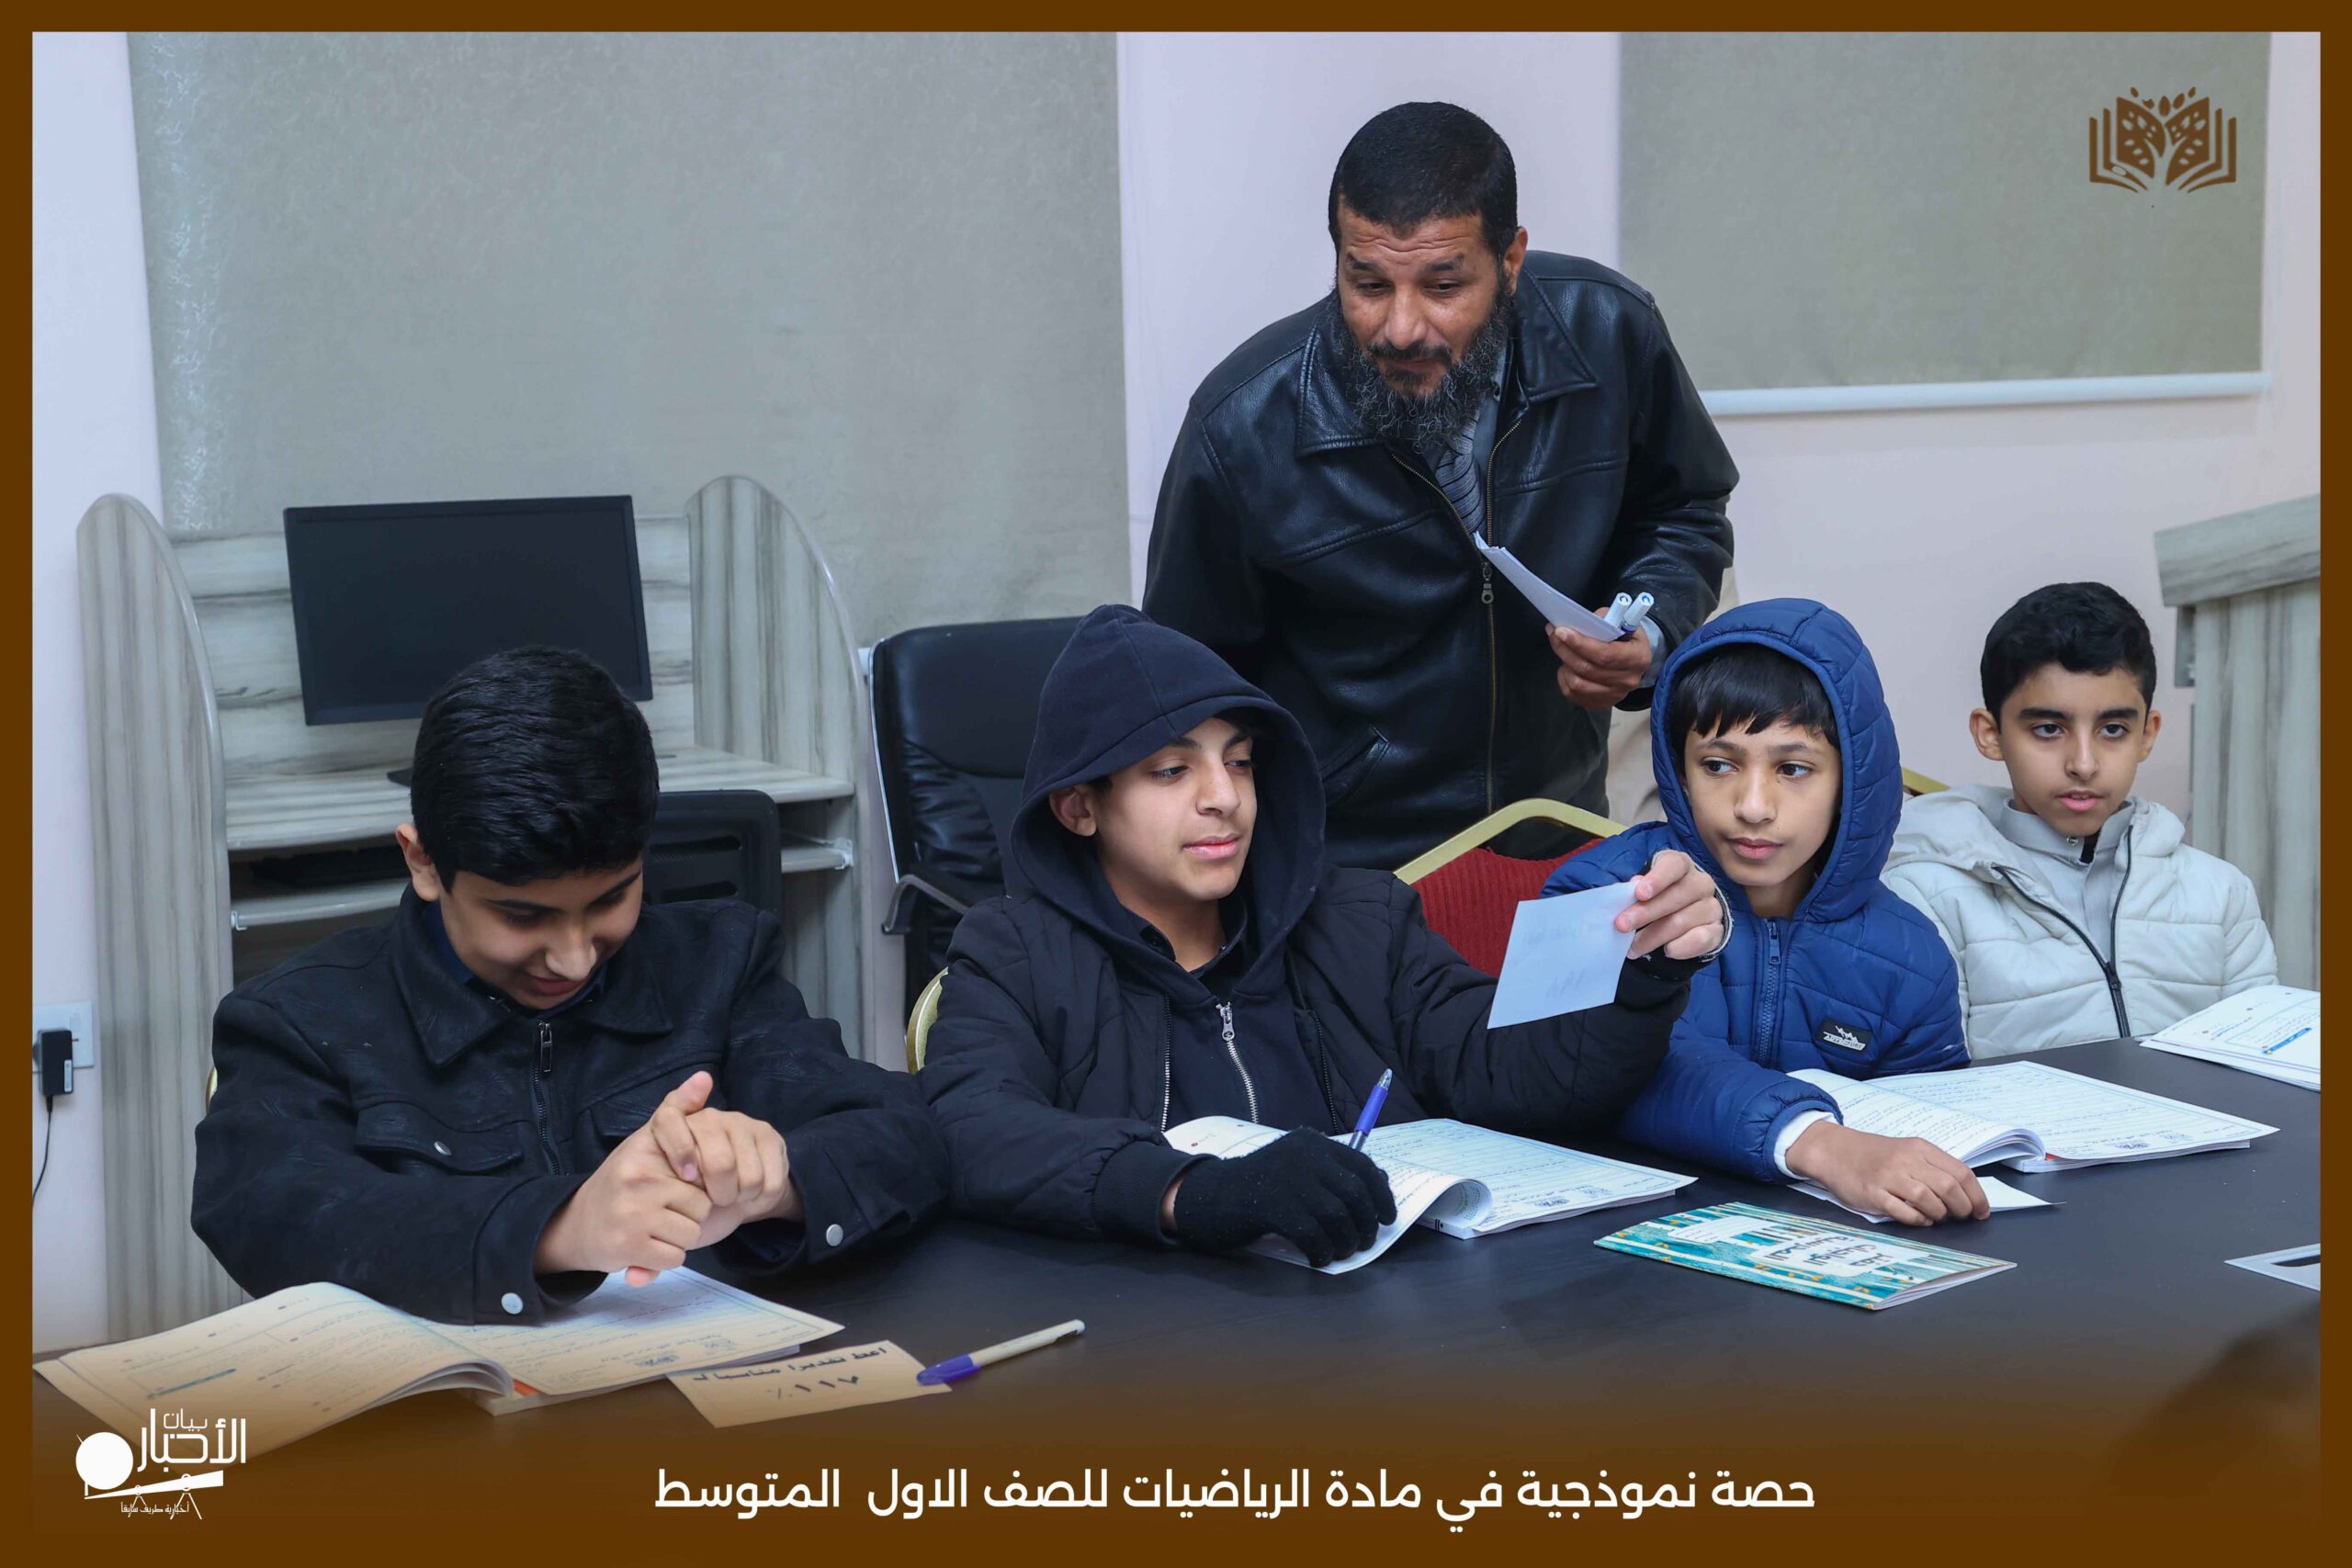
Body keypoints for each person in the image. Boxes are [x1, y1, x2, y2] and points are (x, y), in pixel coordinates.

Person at [918, 605, 1724, 1268]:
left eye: (1240, 762)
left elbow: (1510, 1069)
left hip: (1395, 1341)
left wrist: (1638, 973)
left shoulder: (1358, 919)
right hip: (1152, 1358)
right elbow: (969, 1128)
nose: (1224, 797)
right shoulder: (1014, 950)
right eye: (1172, 770)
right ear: (1079, 807)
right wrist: (1193, 1191)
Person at [194, 647, 948, 1323]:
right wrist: (559, 1227)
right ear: (423, 861)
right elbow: (272, 1213)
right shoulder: (299, 1017)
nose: (575, 959)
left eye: (612, 898)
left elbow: (907, 1136)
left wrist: (776, 1181)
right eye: (523, 915)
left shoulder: (718, 962)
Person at [1145, 100, 1736, 870]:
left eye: (1443, 284)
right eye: (1367, 283)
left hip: (1556, 829)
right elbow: (1186, 687)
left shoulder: (1609, 333)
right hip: (1348, 865)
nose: (1401, 327)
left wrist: (1648, 635)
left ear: (1511, 260)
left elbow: (1683, 508)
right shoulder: (1244, 424)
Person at [1542, 601, 1988, 1225]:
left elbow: (1928, 1139)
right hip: (1601, 1239)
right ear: (1678, 769)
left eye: (1794, 768)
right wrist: (1821, 1143)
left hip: (1831, 1251)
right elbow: (1588, 1068)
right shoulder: (1600, 890)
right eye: (1718, 765)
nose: (1753, 806)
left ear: (1852, 781)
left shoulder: (1910, 954)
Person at [1884, 582, 2277, 1057]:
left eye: (2113, 729)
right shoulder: (1924, 897)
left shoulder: (2220, 894)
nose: (2084, 764)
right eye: (2049, 729)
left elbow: (2266, 1073)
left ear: (2147, 734)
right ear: (1991, 734)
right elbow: (1930, 1090)